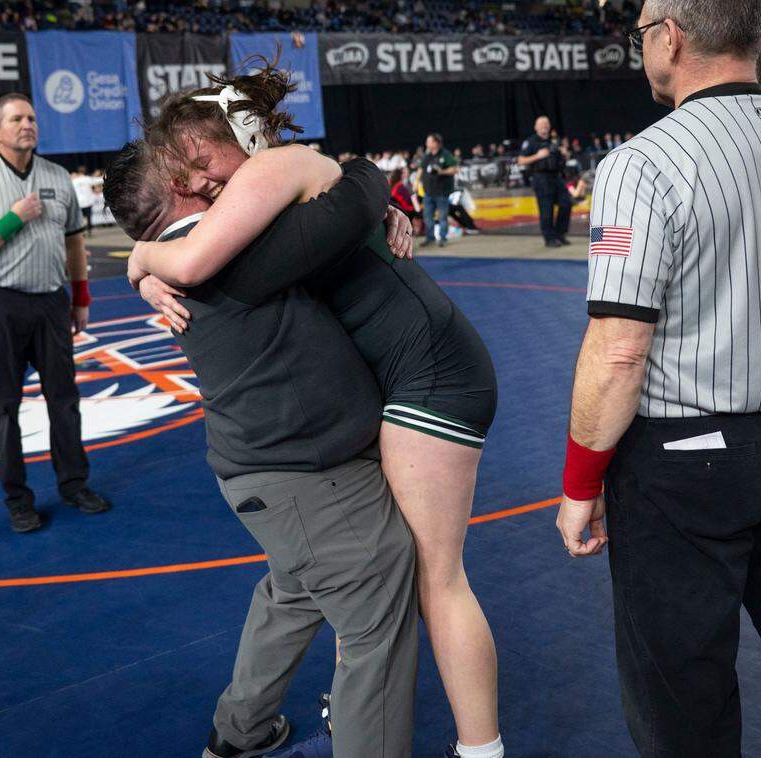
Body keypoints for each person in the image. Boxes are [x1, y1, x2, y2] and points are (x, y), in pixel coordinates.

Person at [127, 65, 503, 758]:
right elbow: (332, 207)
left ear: (241, 135)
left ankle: (480, 748)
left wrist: (146, 259)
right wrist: (366, 185)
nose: (198, 182)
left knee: (419, 575)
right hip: (347, 423)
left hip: (424, 375)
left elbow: (215, 255)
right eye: (182, 175)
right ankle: (259, 729)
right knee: (351, 578)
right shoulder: (261, 213)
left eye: (200, 162)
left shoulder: (269, 185)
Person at [555, 1, 761, 756]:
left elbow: (619, 347)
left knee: (682, 693)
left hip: (682, 467)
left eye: (639, 32)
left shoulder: (642, 164)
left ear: (670, 35)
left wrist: (580, 483)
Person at [106, 139, 421, 758]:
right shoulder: (231, 252)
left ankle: (240, 732)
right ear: (181, 183)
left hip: (266, 475)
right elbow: (354, 198)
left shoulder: (185, 259)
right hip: (308, 478)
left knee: (294, 590)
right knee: (376, 617)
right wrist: (354, 171)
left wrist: (141, 259)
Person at [0, 93, 110, 533]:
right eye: (16, 118)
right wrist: (12, 219)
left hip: (50, 301)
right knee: (5, 404)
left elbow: (75, 242)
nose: (27, 124)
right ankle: (18, 500)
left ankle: (74, 485)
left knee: (64, 399)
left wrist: (80, 298)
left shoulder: (57, 176)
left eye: (32, 118)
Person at [518, 116, 572, 247]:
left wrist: (565, 153)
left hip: (556, 176)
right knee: (546, 210)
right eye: (541, 124)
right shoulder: (530, 142)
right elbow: (521, 160)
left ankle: (560, 234)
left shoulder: (554, 141)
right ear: (536, 127)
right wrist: (538, 155)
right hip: (541, 178)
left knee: (566, 203)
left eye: (546, 123)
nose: (544, 126)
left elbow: (563, 158)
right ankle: (550, 238)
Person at [419, 132, 458, 248]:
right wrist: (417, 182)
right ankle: (430, 237)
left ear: (436, 143)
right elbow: (421, 169)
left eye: (429, 141)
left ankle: (442, 238)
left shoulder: (445, 154)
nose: (426, 143)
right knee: (427, 217)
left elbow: (455, 169)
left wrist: (442, 171)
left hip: (441, 192)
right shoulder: (427, 155)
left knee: (442, 217)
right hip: (428, 192)